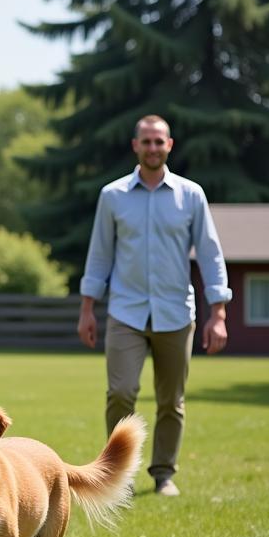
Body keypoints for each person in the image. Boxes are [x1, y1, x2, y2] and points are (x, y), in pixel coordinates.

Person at [76, 115, 230, 496]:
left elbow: (210, 254)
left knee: (170, 401)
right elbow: (99, 255)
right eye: (146, 142)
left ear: (169, 145)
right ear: (135, 146)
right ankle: (117, 474)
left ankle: (163, 473)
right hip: (125, 312)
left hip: (176, 313)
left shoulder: (191, 195)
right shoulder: (113, 196)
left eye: (159, 142)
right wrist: (87, 308)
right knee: (121, 393)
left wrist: (219, 312)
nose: (152, 148)